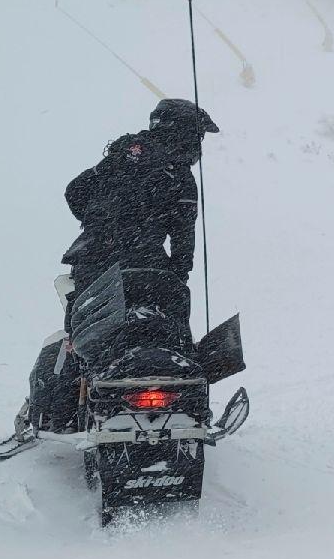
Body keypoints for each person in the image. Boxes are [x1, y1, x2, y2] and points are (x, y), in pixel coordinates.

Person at [26, 99, 219, 432]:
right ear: (182, 134)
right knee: (170, 324)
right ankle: (187, 395)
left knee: (85, 335)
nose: (199, 147)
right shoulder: (180, 177)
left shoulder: (118, 158)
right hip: (147, 265)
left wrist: (100, 224)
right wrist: (176, 271)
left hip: (94, 263)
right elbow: (184, 238)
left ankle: (69, 410)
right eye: (197, 137)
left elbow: (74, 192)